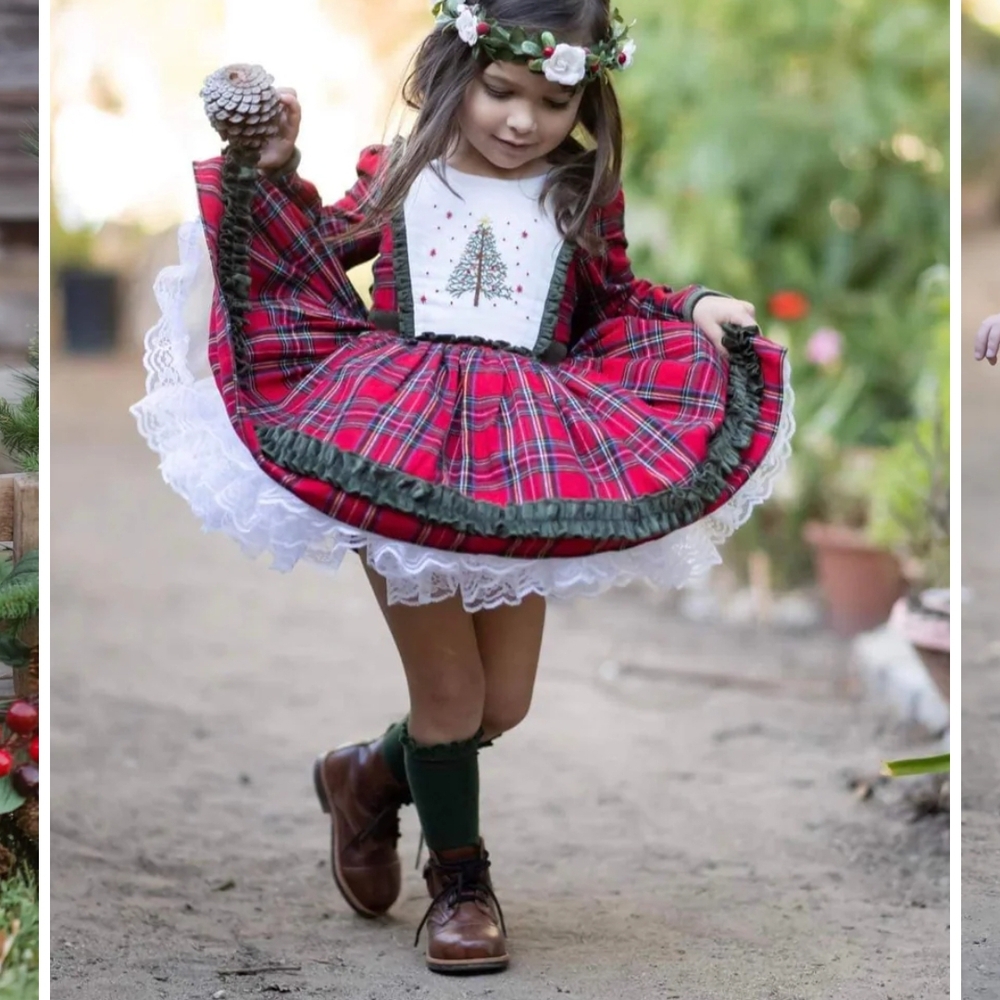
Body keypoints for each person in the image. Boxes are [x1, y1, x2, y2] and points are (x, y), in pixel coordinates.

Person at [132, 0, 793, 976]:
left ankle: (364, 774)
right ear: (459, 66)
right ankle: (461, 886)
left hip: (517, 461)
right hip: (396, 441)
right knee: (449, 693)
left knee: (501, 703)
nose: (523, 120)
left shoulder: (577, 192)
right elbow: (306, 257)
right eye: (502, 90)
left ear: (586, 98)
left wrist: (692, 306)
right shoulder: (401, 173)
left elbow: (612, 292)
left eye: (553, 100)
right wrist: (267, 171)